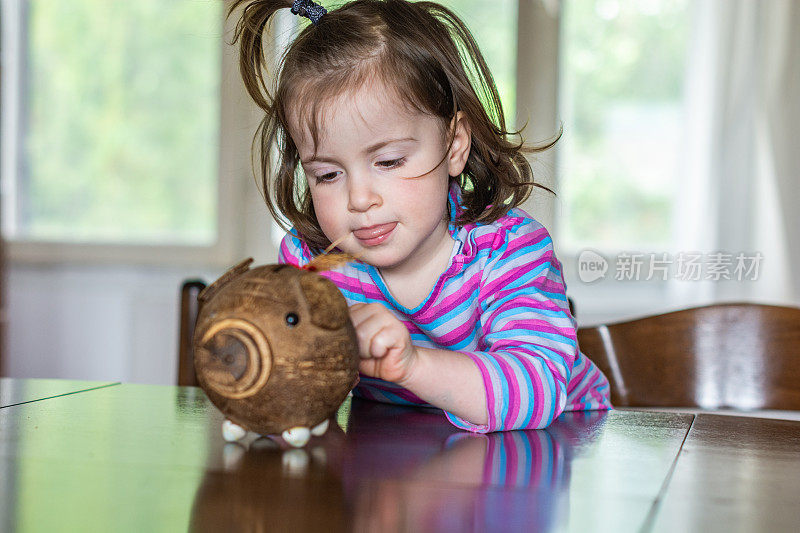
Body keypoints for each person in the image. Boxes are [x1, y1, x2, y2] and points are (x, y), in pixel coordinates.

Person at [228, 0, 611, 433]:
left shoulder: (509, 252)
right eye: (328, 174)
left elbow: (535, 388)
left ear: (454, 147)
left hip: (557, 446)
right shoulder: (315, 263)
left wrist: (409, 364)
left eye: (388, 161)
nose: (359, 198)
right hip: (405, 453)